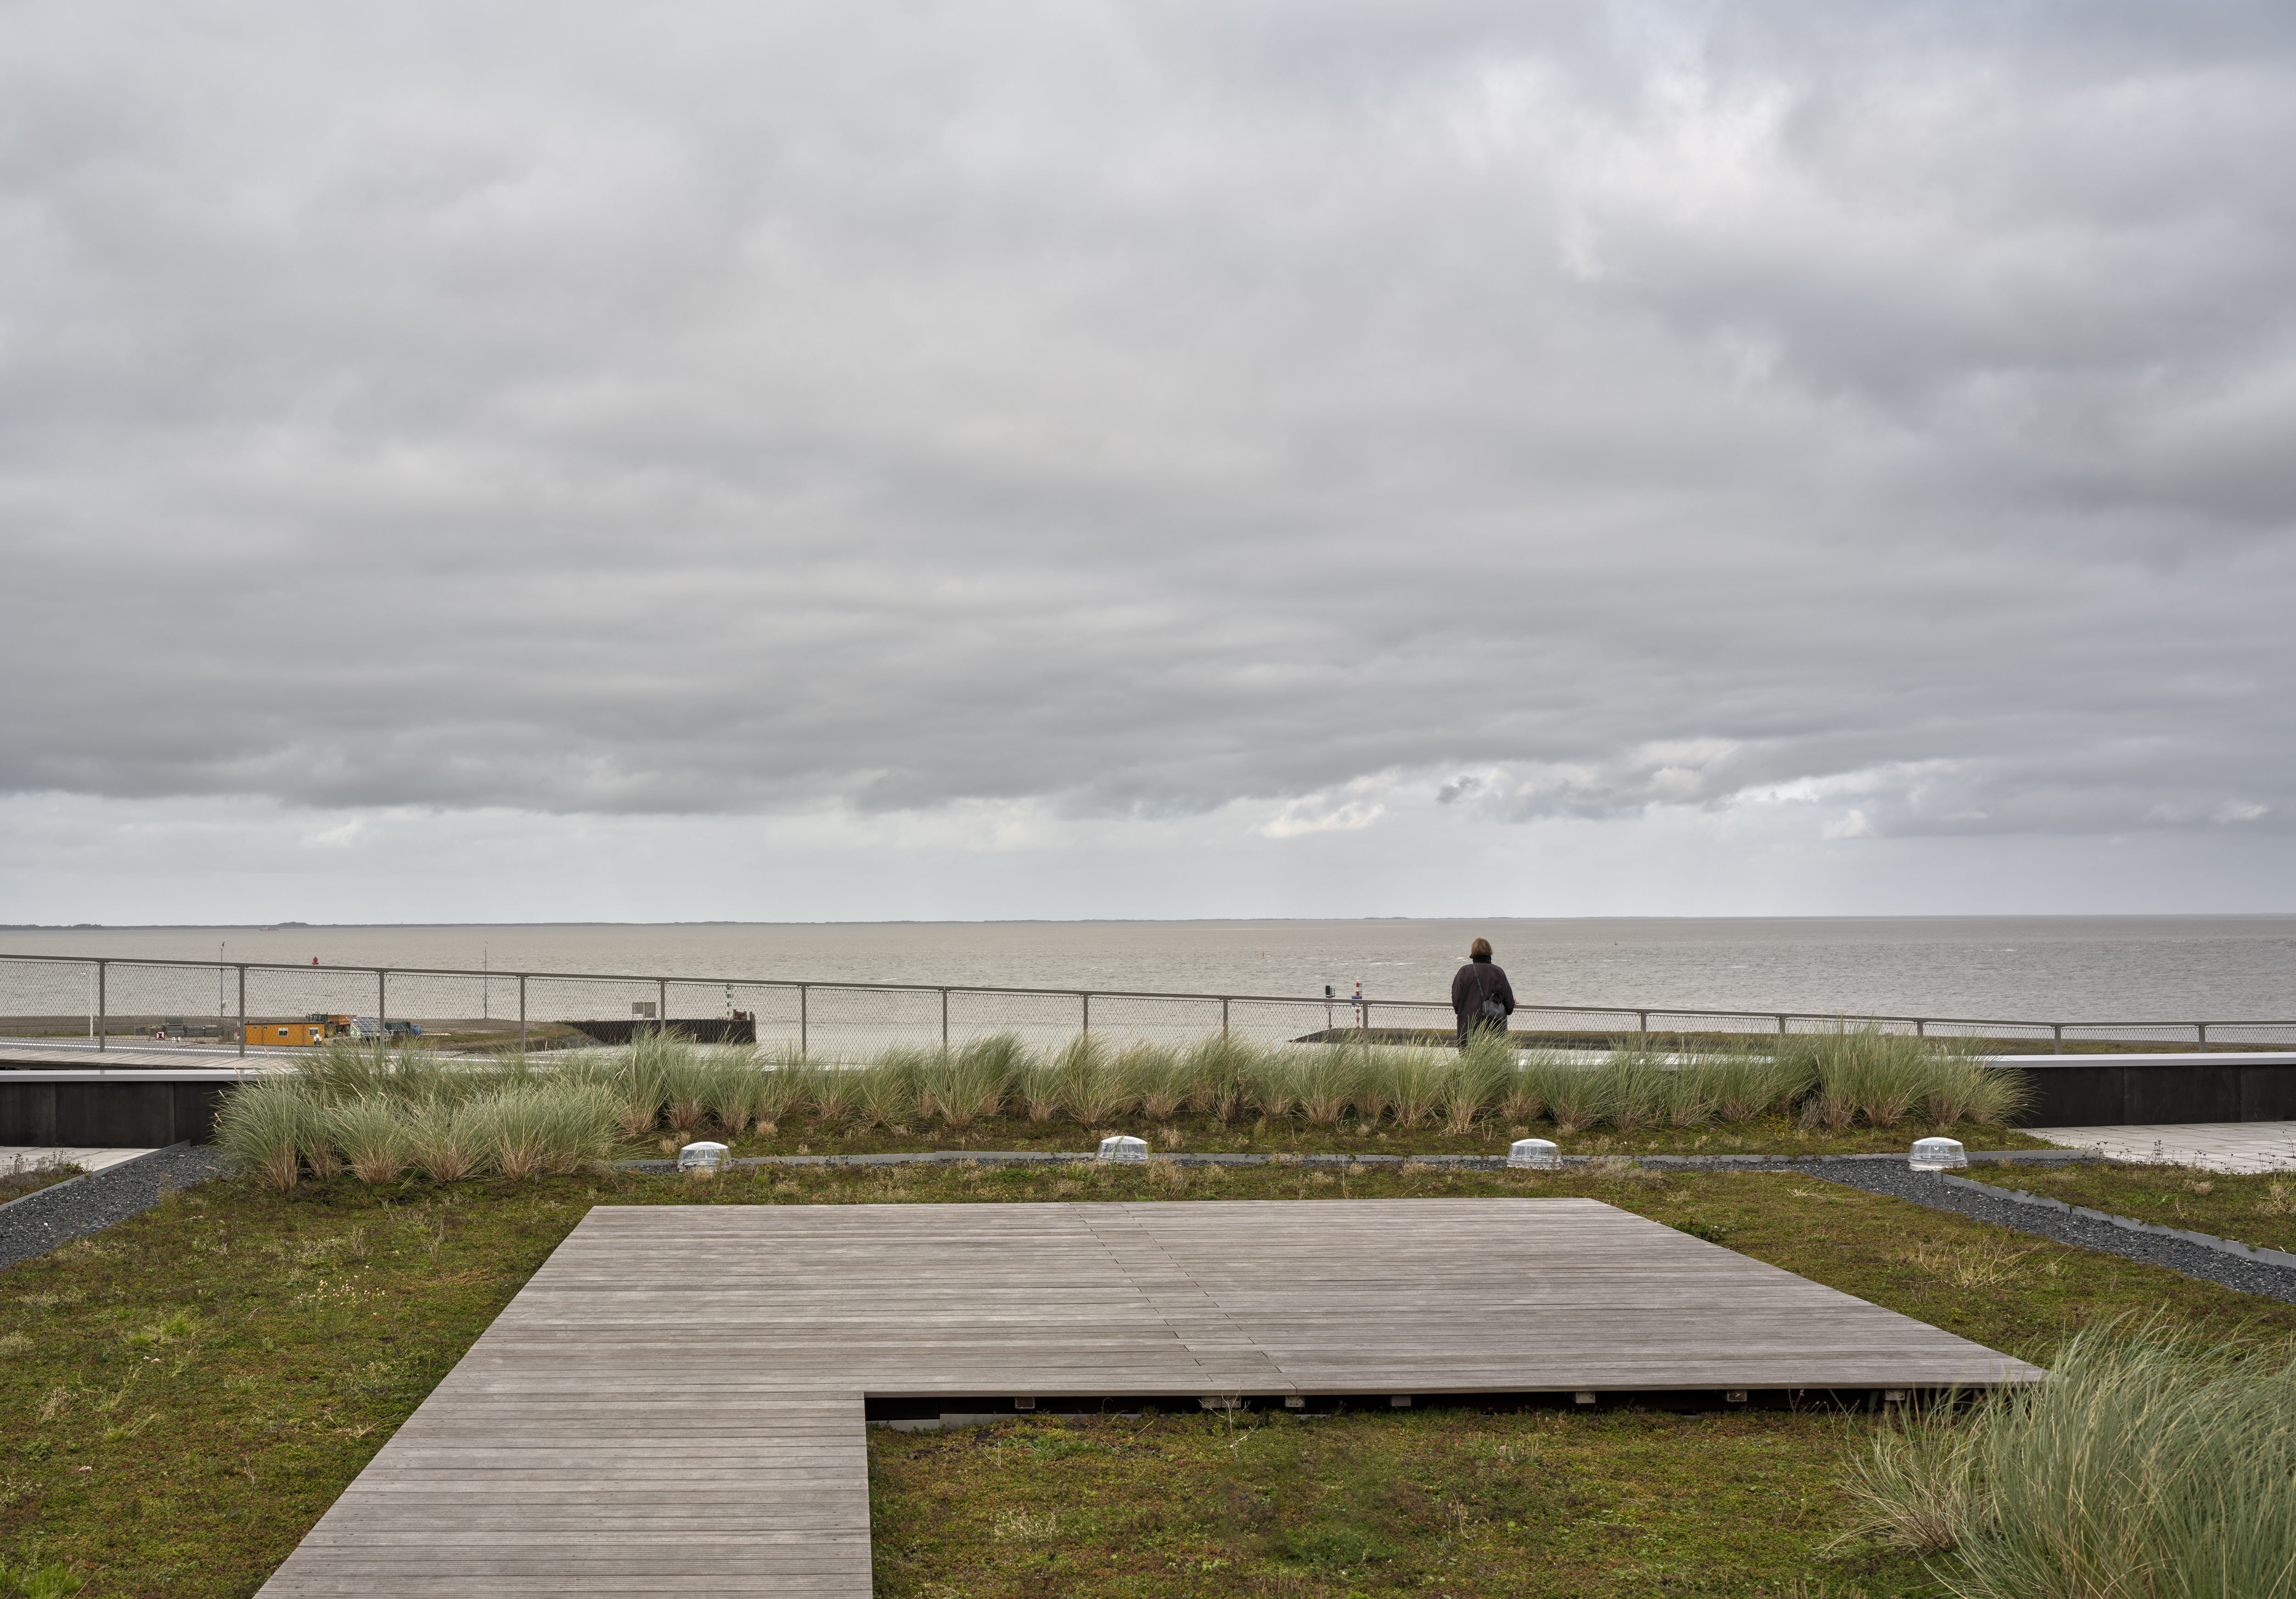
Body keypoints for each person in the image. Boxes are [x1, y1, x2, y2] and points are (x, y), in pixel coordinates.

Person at [1450, 937, 1514, 1047]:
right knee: (1493, 1060)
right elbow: (1509, 1004)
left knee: (1470, 1060)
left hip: (1469, 1026)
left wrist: (1462, 1012)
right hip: (1494, 1027)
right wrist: (1511, 1005)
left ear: (1473, 953)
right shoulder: (1499, 972)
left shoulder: (1464, 971)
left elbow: (1456, 999)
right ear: (1490, 952)